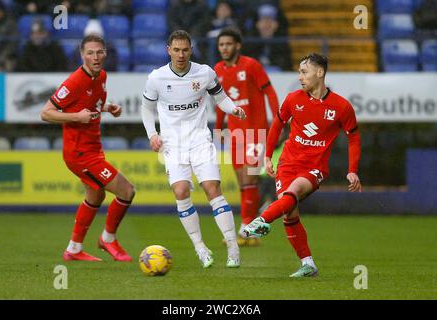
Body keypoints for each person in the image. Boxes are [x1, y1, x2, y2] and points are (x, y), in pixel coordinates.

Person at [244, 53, 362, 277]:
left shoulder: (341, 107)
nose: (300, 77)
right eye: (299, 72)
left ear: (320, 73)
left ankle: (261, 220)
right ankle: (308, 264)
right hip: (287, 163)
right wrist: (268, 156)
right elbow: (277, 125)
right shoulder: (292, 99)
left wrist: (352, 170)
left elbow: (353, 138)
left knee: (293, 191)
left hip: (314, 167)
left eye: (304, 72)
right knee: (289, 213)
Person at [141, 30, 246, 268]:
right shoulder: (156, 78)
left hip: (199, 139)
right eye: (176, 50)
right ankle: (200, 248)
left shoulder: (205, 73)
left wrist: (234, 109)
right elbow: (146, 109)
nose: (180, 54)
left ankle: (232, 247)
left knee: (212, 188)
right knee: (180, 192)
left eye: (185, 50)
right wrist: (152, 135)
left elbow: (221, 98)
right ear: (168, 50)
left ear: (191, 50)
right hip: (172, 144)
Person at [40, 34, 135, 262]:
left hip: (93, 147)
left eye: (99, 52)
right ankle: (108, 239)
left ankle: (73, 249)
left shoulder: (101, 75)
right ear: (82, 55)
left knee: (96, 194)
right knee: (126, 191)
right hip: (79, 153)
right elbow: (46, 113)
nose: (96, 56)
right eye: (90, 53)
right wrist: (76, 117)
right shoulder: (74, 81)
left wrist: (107, 107)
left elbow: (91, 104)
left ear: (105, 53)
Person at [214, 27, 279, 246]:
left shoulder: (251, 65)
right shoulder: (218, 70)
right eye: (221, 44)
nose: (224, 48)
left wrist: (276, 123)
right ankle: (248, 230)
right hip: (235, 134)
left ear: (237, 46)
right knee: (243, 182)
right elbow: (222, 102)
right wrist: (219, 127)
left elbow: (270, 93)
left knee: (250, 179)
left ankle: (245, 230)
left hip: (255, 131)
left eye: (228, 44)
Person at [243, 3, 291, 71]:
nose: (267, 24)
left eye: (270, 21)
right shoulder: (249, 43)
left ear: (276, 25)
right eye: (263, 21)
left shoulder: (282, 43)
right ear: (257, 24)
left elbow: (287, 66)